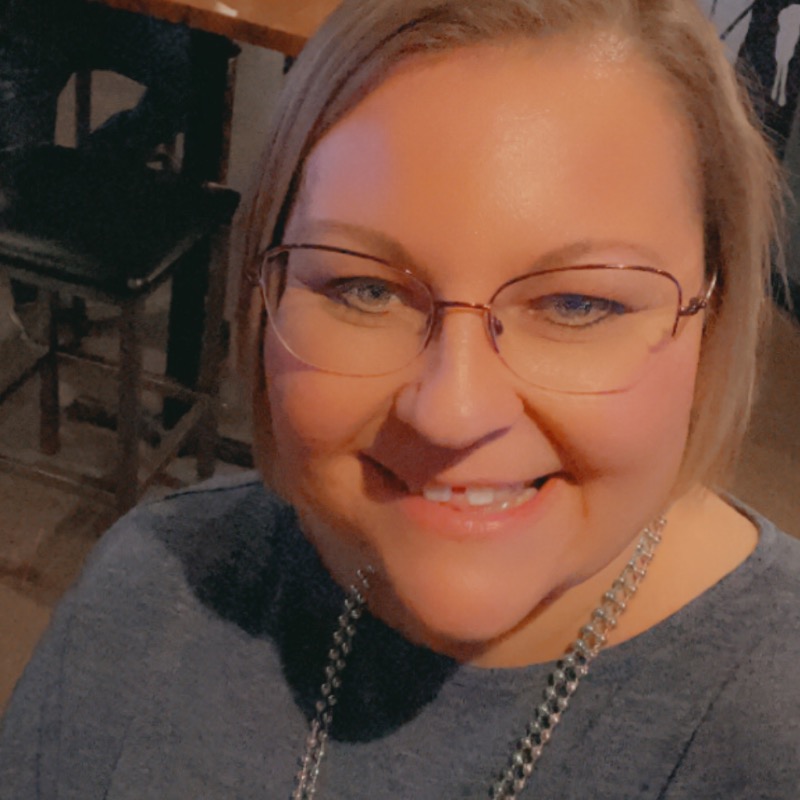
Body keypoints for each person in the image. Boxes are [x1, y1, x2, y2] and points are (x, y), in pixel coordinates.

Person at [1, 0, 799, 797]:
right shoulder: (154, 597)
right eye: (365, 289)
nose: (451, 412)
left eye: (576, 304)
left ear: (715, 316)